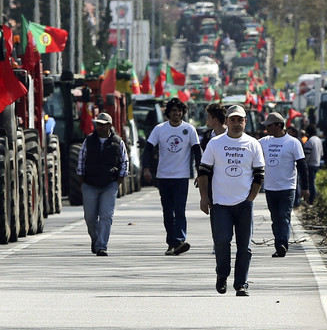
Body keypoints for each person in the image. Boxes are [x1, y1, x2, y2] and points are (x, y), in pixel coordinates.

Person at [198, 105, 265, 296]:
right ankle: (222, 275)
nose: (236, 124)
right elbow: (203, 172)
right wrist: (204, 197)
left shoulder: (253, 144)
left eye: (240, 120)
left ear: (245, 122)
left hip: (243, 204)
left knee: (245, 246)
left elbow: (259, 174)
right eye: (232, 120)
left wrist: (250, 199)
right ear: (226, 122)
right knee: (222, 241)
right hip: (220, 204)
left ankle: (241, 283)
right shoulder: (215, 144)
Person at [142, 98, 202, 256]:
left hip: (181, 177)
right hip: (163, 176)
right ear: (168, 113)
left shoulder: (189, 129)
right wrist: (146, 168)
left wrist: (200, 171)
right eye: (174, 111)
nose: (177, 114)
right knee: (168, 212)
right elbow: (148, 149)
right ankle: (172, 243)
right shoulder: (159, 129)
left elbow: (197, 151)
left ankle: (180, 240)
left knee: (179, 210)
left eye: (180, 111)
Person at [77, 112, 129, 257]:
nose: (99, 127)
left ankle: (101, 246)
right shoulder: (89, 141)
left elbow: (124, 162)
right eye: (98, 124)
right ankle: (95, 239)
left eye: (103, 124)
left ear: (109, 126)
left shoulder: (118, 142)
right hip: (89, 184)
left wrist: (118, 180)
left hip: (109, 184)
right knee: (90, 217)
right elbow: (81, 160)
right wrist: (82, 182)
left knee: (106, 216)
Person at [259, 112, 309, 258]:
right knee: (275, 218)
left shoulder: (293, 143)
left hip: (287, 188)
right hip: (270, 187)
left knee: (283, 216)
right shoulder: (264, 141)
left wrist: (305, 188)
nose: (267, 128)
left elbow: (302, 166)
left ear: (278, 125)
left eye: (269, 125)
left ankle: (282, 244)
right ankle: (279, 244)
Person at [302, 124, 323, 204]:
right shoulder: (319, 140)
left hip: (310, 165)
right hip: (317, 163)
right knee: (313, 182)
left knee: (310, 184)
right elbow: (321, 153)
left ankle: (311, 200)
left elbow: (307, 155)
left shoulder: (310, 141)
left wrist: (304, 164)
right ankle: (313, 199)